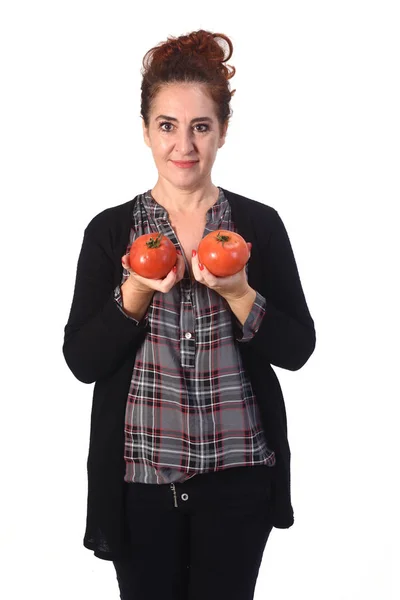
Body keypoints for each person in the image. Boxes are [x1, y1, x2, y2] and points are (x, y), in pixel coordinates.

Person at [62, 29, 316, 600]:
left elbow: (299, 348)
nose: (184, 145)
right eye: (168, 126)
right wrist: (134, 293)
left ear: (223, 131)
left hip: (239, 477)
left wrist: (240, 292)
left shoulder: (258, 226)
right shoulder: (110, 233)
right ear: (147, 131)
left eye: (201, 126)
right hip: (140, 483)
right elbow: (81, 359)